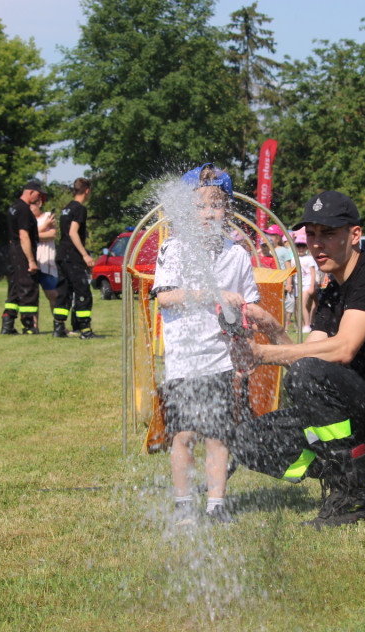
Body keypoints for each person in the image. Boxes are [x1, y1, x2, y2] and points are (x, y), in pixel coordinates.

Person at [233, 191, 365, 529]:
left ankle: (351, 496)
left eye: (328, 233)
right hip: (360, 414)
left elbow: (343, 349)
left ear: (354, 235)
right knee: (247, 441)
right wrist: (273, 330)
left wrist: (264, 354)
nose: (316, 244)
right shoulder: (332, 288)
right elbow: (308, 356)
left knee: (306, 375)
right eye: (311, 234)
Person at [152, 164, 262, 525]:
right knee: (183, 434)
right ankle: (184, 504)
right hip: (184, 359)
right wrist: (213, 294)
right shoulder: (174, 248)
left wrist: (248, 323)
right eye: (198, 206)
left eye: (216, 205)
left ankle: (216, 506)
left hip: (219, 358)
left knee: (217, 434)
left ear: (228, 210)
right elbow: (166, 298)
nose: (207, 213)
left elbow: (250, 303)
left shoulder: (238, 255)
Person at [53, 178, 97, 339]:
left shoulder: (66, 209)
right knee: (83, 292)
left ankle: (58, 327)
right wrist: (85, 255)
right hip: (73, 257)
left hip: (61, 255)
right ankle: (84, 330)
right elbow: (73, 232)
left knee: (64, 292)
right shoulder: (80, 209)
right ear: (87, 190)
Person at [1, 179, 47, 334]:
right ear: (31, 192)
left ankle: (7, 324)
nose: (39, 199)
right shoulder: (24, 210)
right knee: (28, 287)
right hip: (22, 251)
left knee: (14, 287)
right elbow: (24, 235)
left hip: (13, 250)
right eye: (38, 195)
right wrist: (32, 261)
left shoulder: (13, 208)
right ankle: (28, 326)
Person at [32, 196, 59, 317]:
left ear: (40, 203)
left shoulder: (48, 216)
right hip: (32, 262)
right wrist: (44, 228)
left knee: (53, 295)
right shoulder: (27, 219)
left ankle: (59, 325)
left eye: (33, 204)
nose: (30, 207)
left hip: (47, 262)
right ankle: (34, 327)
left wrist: (33, 235)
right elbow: (25, 236)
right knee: (32, 298)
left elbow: (52, 234)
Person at [293, 230, 319, 333]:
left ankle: (308, 325)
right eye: (299, 246)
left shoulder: (309, 259)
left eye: (303, 246)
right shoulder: (294, 259)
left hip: (307, 285)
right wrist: (290, 285)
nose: (301, 248)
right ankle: (302, 325)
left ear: (307, 247)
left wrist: (312, 286)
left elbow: (313, 273)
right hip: (297, 286)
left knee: (303, 305)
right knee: (299, 307)